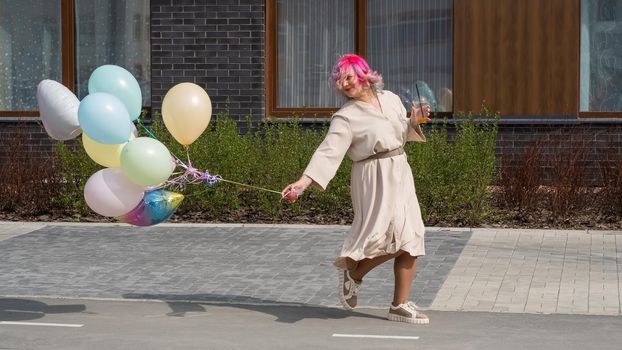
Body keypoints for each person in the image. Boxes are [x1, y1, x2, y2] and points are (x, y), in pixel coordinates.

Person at [281, 54, 431, 325]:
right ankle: (355, 273)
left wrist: (414, 121)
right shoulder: (345, 117)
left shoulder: (391, 99)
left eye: (348, 77)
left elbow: (400, 130)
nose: (343, 83)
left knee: (412, 236)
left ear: (364, 75)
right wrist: (303, 182)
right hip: (372, 176)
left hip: (400, 169)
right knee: (386, 236)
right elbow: (328, 152)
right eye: (339, 80)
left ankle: (399, 304)